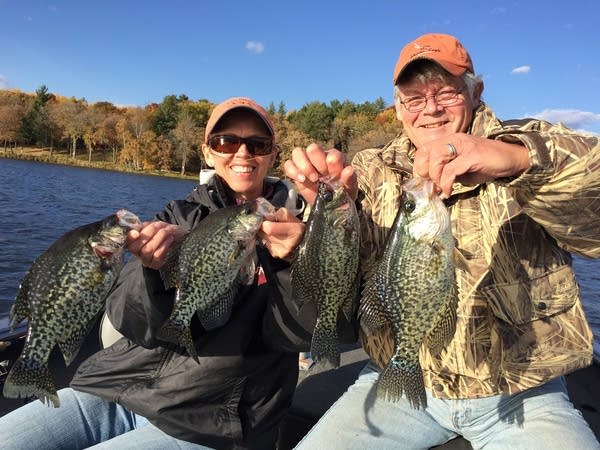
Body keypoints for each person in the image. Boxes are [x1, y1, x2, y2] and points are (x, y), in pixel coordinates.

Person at [284, 33, 600, 449]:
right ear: (398, 109)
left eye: (447, 93)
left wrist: (517, 161)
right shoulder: (370, 170)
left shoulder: (529, 146)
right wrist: (318, 210)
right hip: (395, 377)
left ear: (476, 92)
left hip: (524, 392)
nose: (430, 109)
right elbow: (343, 271)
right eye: (414, 99)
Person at [0, 97, 315, 449]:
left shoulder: (305, 226)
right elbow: (126, 319)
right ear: (208, 153)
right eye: (226, 141)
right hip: (116, 387)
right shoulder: (179, 214)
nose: (242, 153)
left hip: (211, 421)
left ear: (273, 154)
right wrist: (152, 273)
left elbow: (304, 334)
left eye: (257, 144)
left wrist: (291, 262)